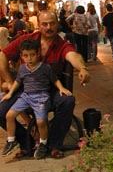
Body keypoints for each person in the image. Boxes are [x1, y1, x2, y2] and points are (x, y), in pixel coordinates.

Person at [0, 10, 90, 159]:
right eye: (45, 24)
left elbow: (73, 56)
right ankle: (26, 143)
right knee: (1, 111)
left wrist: (82, 68)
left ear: (57, 24)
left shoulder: (61, 44)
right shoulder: (26, 40)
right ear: (39, 26)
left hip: (49, 91)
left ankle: (53, 144)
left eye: (52, 23)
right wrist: (8, 80)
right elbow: (3, 54)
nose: (49, 27)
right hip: (25, 91)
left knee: (67, 101)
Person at [1, 39, 72, 159]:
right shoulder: (23, 68)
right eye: (26, 56)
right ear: (22, 56)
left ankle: (43, 143)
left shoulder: (45, 68)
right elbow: (18, 81)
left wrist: (61, 88)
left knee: (41, 121)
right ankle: (11, 139)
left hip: (41, 97)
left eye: (32, 55)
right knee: (9, 116)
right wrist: (10, 93)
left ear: (38, 54)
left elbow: (54, 79)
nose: (29, 58)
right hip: (26, 96)